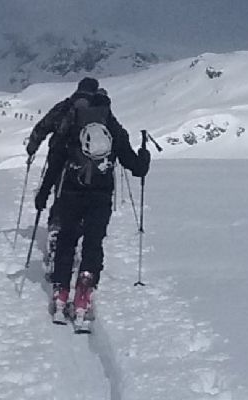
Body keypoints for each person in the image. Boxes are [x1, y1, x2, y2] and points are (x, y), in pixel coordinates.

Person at [25, 77, 150, 323]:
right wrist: (144, 157)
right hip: (101, 194)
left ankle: (60, 293)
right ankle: (84, 292)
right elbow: (135, 166)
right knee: (93, 242)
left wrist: (43, 194)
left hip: (70, 190)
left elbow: (56, 160)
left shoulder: (70, 116)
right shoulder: (109, 124)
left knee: (66, 239)